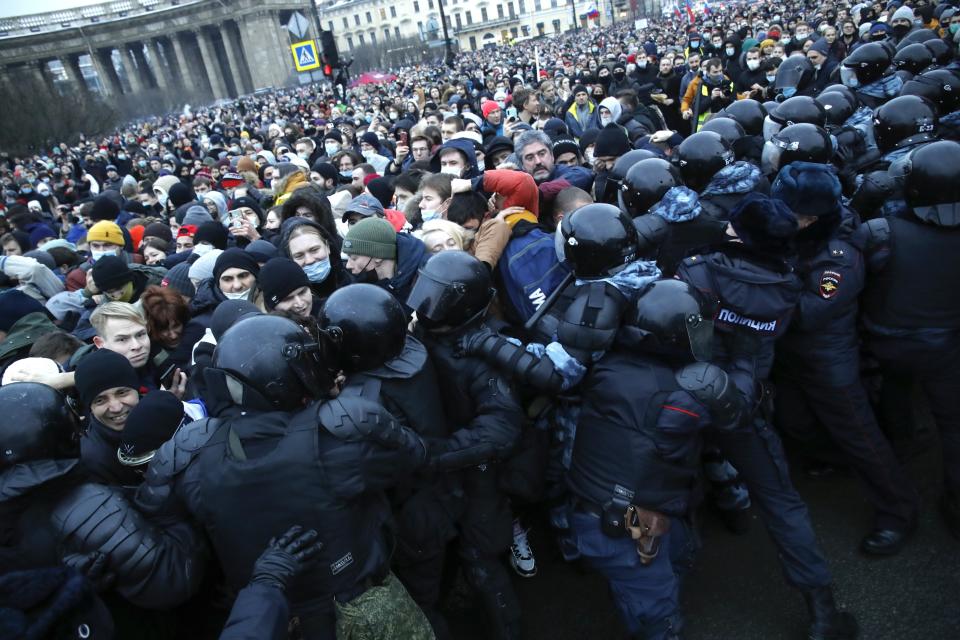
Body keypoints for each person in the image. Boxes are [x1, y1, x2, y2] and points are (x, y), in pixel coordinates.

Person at [136, 314, 433, 639]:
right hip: (357, 600)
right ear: (282, 379)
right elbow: (412, 454)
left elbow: (158, 516)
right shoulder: (342, 426)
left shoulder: (189, 450)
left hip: (267, 615)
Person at [677, 194, 858, 640]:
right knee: (781, 501)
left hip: (682, 398)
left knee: (667, 494)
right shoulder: (787, 284)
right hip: (745, 401)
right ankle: (822, 610)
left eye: (734, 226)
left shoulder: (697, 268)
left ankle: (667, 606)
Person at [568, 279, 746, 639]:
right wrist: (744, 360)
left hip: (596, 511)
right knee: (658, 613)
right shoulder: (681, 398)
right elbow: (737, 415)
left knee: (677, 554)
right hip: (626, 526)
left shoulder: (605, 367)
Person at [770, 162, 920, 555]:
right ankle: (831, 457)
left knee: (862, 440)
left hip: (826, 360)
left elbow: (806, 312)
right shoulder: (794, 234)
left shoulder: (839, 256)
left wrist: (756, 289)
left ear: (809, 217)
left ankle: (898, 511)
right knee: (795, 422)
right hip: (790, 358)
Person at [407, 251, 524, 640]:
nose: (426, 306)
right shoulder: (422, 332)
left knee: (481, 558)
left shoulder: (485, 351)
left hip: (475, 472)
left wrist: (435, 453)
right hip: (439, 465)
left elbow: (500, 428)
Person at [858, 141, 960, 539]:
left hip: (887, 341)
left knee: (894, 396)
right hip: (947, 346)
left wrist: (866, 199)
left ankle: (901, 451)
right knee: (953, 426)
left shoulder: (882, 232)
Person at [342, 217, 429, 312]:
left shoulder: (421, 283)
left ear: (378, 256)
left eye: (354, 258)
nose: (348, 265)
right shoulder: (355, 284)